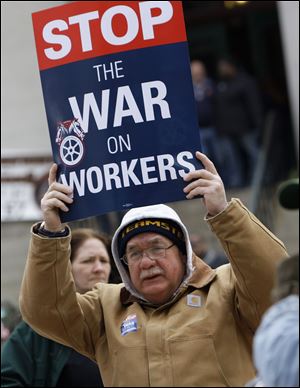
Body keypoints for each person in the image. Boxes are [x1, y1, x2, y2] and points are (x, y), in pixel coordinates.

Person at [19, 151, 288, 387]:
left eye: (157, 248)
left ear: (184, 254)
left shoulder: (227, 288)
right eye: (133, 253)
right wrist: (51, 232)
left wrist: (224, 212)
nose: (146, 261)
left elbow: (273, 280)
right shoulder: (105, 307)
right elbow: (45, 311)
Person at [1, 228, 121, 387]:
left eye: (104, 261)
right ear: (66, 267)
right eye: (88, 261)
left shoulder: (127, 316)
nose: (99, 268)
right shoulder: (39, 327)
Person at [215, 57, 263, 188]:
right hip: (227, 130)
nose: (222, 70)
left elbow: (255, 105)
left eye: (224, 66)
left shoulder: (245, 82)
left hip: (246, 128)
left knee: (254, 154)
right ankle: (238, 182)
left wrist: (258, 125)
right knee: (233, 159)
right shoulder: (221, 84)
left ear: (232, 66)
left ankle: (259, 181)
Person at [190, 60, 220, 168]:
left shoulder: (210, 85)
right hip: (198, 130)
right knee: (205, 158)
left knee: (220, 157)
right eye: (195, 72)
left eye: (200, 71)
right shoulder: (187, 88)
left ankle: (228, 181)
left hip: (214, 127)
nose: (198, 74)